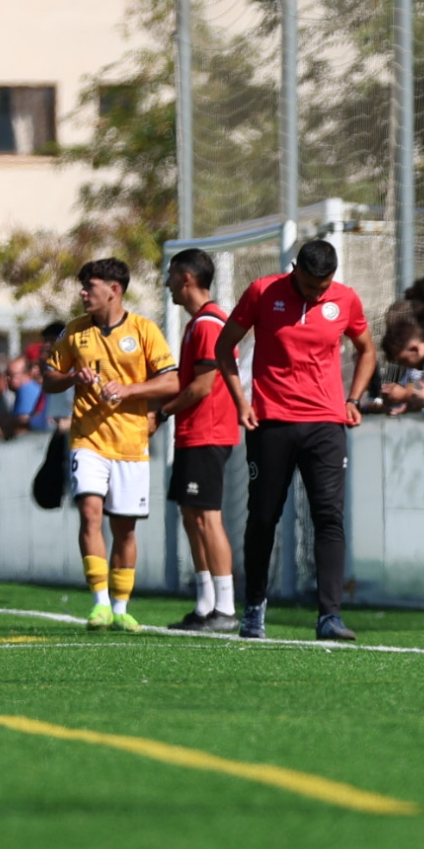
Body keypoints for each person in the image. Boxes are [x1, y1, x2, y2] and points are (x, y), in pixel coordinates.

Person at [216, 239, 378, 641]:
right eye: (309, 286)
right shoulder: (262, 292)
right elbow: (224, 347)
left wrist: (353, 398)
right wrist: (241, 402)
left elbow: (367, 351)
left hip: (326, 424)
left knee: (329, 517)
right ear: (295, 270)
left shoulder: (345, 299)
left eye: (323, 287)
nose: (317, 294)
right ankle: (254, 607)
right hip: (271, 422)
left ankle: (330, 616)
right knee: (263, 516)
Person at [42, 259, 179, 633]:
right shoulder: (74, 331)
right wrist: (73, 377)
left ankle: (120, 607)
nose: (83, 293)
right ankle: (100, 603)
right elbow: (49, 378)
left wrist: (130, 390)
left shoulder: (144, 330)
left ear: (114, 290)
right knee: (90, 512)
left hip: (131, 443)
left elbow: (172, 382)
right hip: (87, 440)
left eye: (90, 286)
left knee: (125, 529)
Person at [155, 249, 242, 632]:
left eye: (171, 275)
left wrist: (162, 413)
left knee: (207, 516)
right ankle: (206, 604)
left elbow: (202, 386)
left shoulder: (208, 323)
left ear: (187, 278)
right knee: (192, 516)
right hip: (194, 433)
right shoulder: (197, 323)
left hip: (208, 432)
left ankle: (225, 607)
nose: (167, 283)